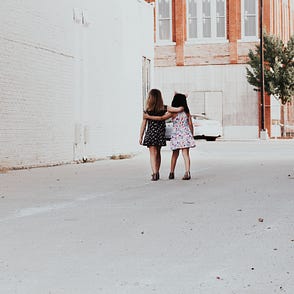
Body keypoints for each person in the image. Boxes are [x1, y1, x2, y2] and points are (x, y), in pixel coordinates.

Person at [144, 93, 195, 180]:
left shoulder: (172, 113)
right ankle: (187, 172)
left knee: (175, 154)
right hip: (186, 134)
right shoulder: (187, 112)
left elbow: (161, 118)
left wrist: (149, 116)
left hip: (176, 135)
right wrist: (191, 135)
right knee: (185, 154)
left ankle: (171, 172)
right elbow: (190, 124)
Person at [139, 89, 183, 181]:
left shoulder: (147, 110)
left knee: (152, 154)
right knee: (158, 153)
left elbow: (143, 124)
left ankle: (155, 173)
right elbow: (178, 109)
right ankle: (157, 172)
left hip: (150, 133)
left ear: (150, 98)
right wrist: (182, 100)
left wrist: (141, 136)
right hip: (159, 134)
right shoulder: (164, 108)